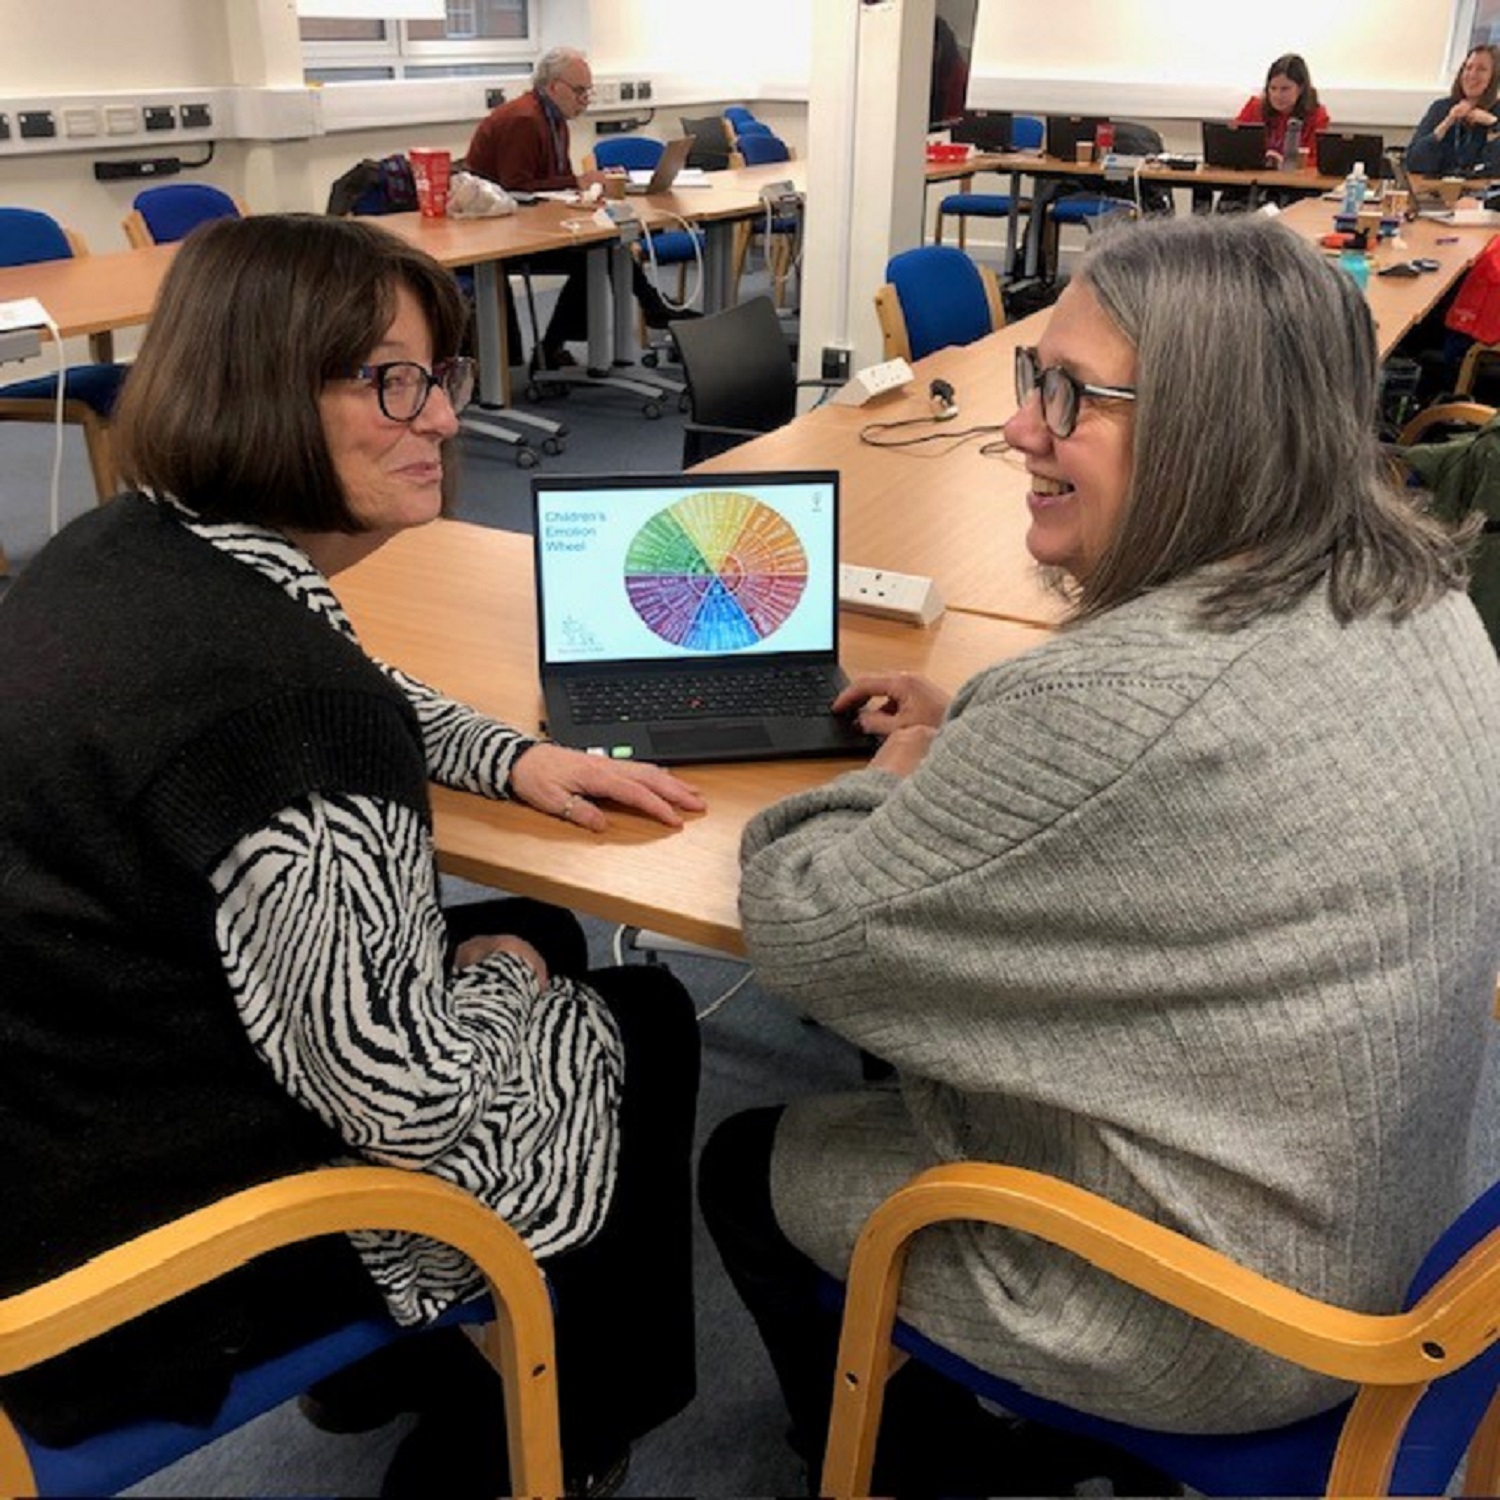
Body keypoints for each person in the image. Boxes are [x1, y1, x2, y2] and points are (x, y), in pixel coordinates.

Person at [699, 213, 1500, 1494]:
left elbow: (804, 930)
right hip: (1410, 1219)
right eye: (1035, 377)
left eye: (1070, 394)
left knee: (746, 1158)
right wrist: (985, 751)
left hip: (1226, 1319)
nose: (1021, 427)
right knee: (930, 995)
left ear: (1209, 431)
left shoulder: (1115, 701)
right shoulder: (1416, 588)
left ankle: (934, 1465)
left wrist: (899, 772)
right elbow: (1181, 783)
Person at [0, 213, 705, 1496]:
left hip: (53, 1123)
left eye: (440, 376)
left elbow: (349, 676)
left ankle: (374, 1368)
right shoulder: (287, 714)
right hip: (134, 1280)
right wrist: (500, 983)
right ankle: (534, 1445)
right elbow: (408, 1095)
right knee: (638, 1016)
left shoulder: (124, 547)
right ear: (265, 390)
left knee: (534, 928)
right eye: (394, 382)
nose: (440, 418)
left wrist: (513, 756)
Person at [465, 45, 692, 370]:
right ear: (554, 86)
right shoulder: (524, 120)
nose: (586, 98)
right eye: (580, 90)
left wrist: (581, 187)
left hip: (528, 221)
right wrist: (579, 181)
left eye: (589, 90)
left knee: (607, 247)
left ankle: (645, 308)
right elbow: (517, 186)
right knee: (595, 254)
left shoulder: (553, 118)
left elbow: (552, 181)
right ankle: (639, 311)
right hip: (495, 234)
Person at [1407, 43, 1500, 176]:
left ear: (1494, 77)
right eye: (1468, 68)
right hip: (1440, 192)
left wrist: (1493, 124)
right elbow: (1414, 163)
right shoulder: (1441, 108)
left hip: (1484, 194)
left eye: (1482, 69)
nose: (1472, 75)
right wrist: (1447, 123)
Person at [1235, 52, 1329, 169]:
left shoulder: (1317, 115)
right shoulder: (1255, 107)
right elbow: (1232, 144)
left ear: (1300, 89)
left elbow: (1318, 161)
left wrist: (1286, 164)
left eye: (1285, 89)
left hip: (1293, 183)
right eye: (1273, 88)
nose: (1277, 95)